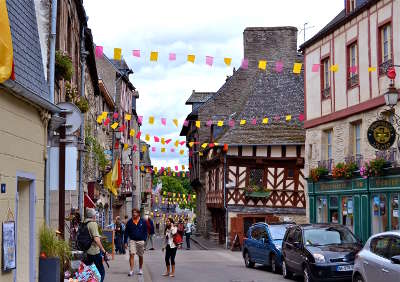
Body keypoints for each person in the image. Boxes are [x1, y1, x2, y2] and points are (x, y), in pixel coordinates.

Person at [83, 208, 108, 282]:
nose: (96, 216)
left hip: (86, 250)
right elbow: (96, 239)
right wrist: (104, 251)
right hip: (94, 251)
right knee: (101, 272)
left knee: (87, 271)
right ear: (93, 216)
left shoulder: (84, 223)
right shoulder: (93, 223)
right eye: (95, 215)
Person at [124, 208, 147, 276]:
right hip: (132, 240)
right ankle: (131, 270)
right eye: (133, 212)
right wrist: (125, 242)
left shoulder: (143, 221)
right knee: (131, 254)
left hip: (141, 241)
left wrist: (144, 240)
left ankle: (140, 269)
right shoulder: (129, 222)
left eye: (135, 212)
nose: (134, 214)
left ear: (138, 213)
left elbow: (145, 232)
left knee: (140, 255)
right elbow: (126, 233)